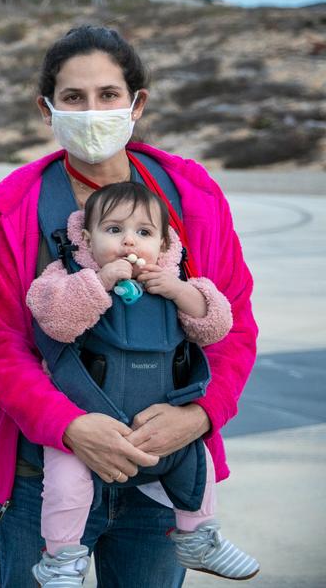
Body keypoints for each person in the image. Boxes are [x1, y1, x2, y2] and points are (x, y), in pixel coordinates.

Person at [0, 25, 259, 587]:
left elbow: (232, 325)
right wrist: (70, 428)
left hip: (162, 474)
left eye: (108, 95)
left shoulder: (190, 196)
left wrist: (198, 416)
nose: (91, 110)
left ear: (137, 103)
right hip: (44, 475)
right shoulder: (15, 209)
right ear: (47, 110)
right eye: (73, 98)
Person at [26, 181, 259, 584]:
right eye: (113, 230)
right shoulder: (68, 275)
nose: (129, 240)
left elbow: (217, 325)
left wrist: (181, 291)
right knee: (66, 486)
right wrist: (100, 281)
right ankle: (61, 557)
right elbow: (56, 321)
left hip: (162, 424)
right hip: (87, 425)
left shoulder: (174, 280)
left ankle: (198, 536)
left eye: (144, 233)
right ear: (86, 236)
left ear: (164, 242)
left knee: (196, 466)